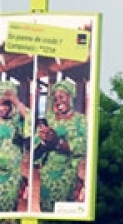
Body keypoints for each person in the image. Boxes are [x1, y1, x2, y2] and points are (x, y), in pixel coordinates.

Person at [36, 80, 88, 210]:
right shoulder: (49, 119)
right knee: (45, 207)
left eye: (61, 97)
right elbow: (38, 145)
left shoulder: (80, 120)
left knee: (63, 209)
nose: (58, 101)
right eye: (55, 99)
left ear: (70, 97)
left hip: (68, 173)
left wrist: (57, 142)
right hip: (47, 173)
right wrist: (43, 140)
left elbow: (82, 146)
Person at [0, 81, 29, 212]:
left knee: (8, 209)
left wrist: (15, 101)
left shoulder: (17, 121)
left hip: (11, 177)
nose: (2, 108)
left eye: (6, 104)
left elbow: (31, 120)